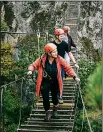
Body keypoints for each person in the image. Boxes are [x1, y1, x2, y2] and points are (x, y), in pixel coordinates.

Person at [27, 43, 80, 121]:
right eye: (54, 52)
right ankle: (47, 113)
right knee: (45, 98)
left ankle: (55, 108)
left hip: (55, 82)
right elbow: (33, 65)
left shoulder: (59, 59)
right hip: (45, 82)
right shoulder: (42, 59)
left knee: (55, 97)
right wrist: (30, 70)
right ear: (48, 53)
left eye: (56, 51)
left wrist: (74, 76)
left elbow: (68, 68)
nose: (56, 53)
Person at [51, 28, 79, 103]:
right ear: (56, 36)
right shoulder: (52, 44)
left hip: (61, 65)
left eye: (63, 35)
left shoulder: (64, 44)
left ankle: (60, 96)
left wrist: (74, 63)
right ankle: (55, 94)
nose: (63, 37)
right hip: (52, 65)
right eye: (61, 36)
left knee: (61, 80)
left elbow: (69, 53)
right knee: (54, 80)